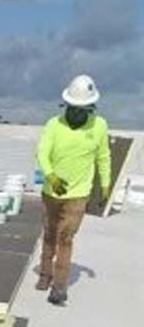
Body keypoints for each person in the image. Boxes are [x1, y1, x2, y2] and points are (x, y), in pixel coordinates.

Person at [36, 74, 111, 306]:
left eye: (83, 109)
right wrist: (50, 175)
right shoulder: (53, 124)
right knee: (49, 234)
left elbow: (103, 157)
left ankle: (59, 286)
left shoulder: (99, 126)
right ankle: (45, 274)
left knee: (66, 238)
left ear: (90, 107)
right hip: (52, 192)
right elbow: (42, 153)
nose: (78, 113)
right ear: (66, 105)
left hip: (78, 194)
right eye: (73, 108)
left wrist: (105, 184)